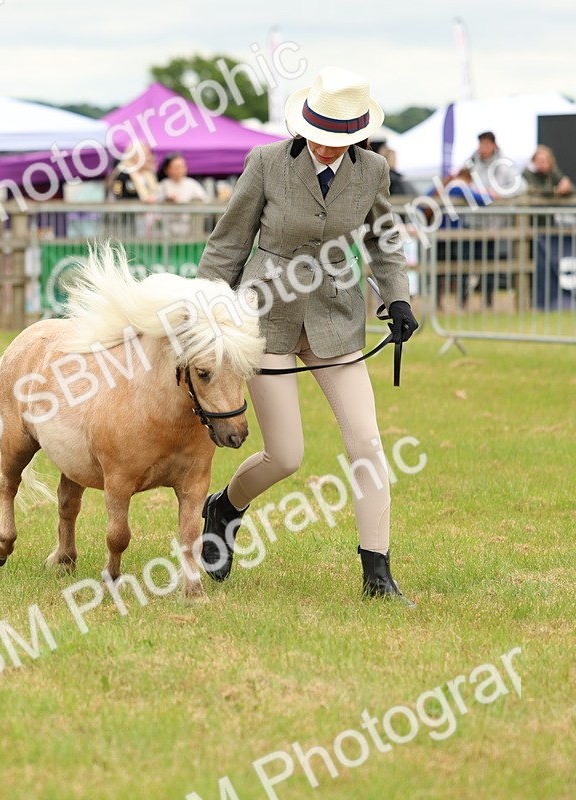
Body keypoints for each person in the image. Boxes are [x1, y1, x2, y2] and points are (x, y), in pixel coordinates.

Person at [194, 66, 418, 606]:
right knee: (286, 455)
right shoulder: (266, 163)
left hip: (336, 318)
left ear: (357, 137)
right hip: (264, 317)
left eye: (336, 138)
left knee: (365, 443)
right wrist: (203, 308)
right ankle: (225, 508)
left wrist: (398, 296)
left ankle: (377, 573)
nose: (323, 145)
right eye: (317, 132)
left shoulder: (373, 173)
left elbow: (385, 242)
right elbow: (228, 243)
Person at [465, 131, 523, 199]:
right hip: (476, 202)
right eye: (481, 143)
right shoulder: (471, 161)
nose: (483, 148)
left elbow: (521, 186)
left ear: (494, 145)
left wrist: (498, 193)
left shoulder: (504, 164)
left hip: (498, 206)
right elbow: (461, 177)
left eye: (486, 144)